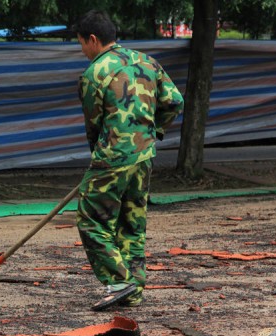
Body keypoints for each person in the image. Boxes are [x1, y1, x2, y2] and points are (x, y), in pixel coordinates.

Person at [74, 10, 184, 310]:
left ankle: (117, 280)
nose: (82, 51)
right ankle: (132, 291)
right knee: (132, 224)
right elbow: (175, 101)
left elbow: (93, 126)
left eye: (81, 44)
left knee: (91, 219)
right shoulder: (147, 62)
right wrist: (153, 130)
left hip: (113, 158)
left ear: (93, 40)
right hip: (144, 156)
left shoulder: (94, 74)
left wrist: (99, 156)